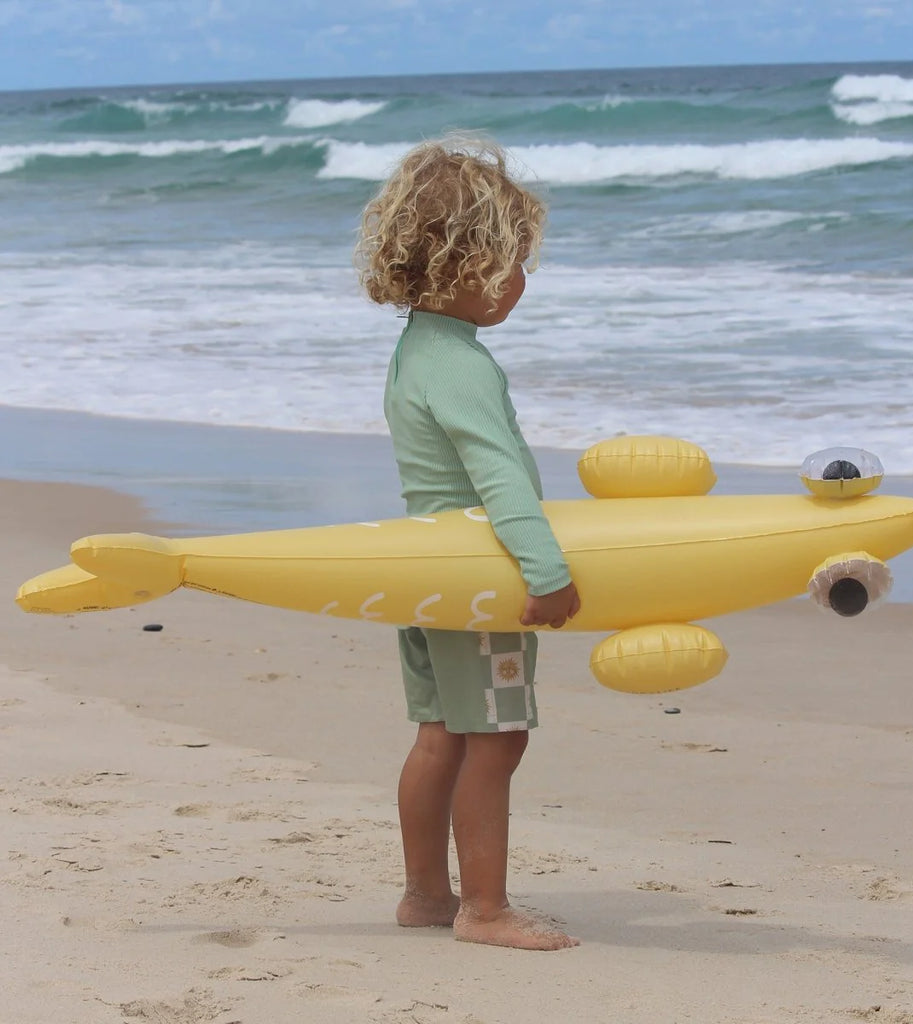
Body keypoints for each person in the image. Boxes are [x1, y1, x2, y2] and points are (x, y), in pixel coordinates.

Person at [355, 135, 581, 950]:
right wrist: (547, 571)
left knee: (441, 733)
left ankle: (425, 896)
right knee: (497, 734)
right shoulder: (462, 368)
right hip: (480, 578)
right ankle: (484, 910)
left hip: (430, 572)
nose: (523, 280)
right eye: (515, 261)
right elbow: (500, 480)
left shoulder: (418, 351)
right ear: (464, 264)